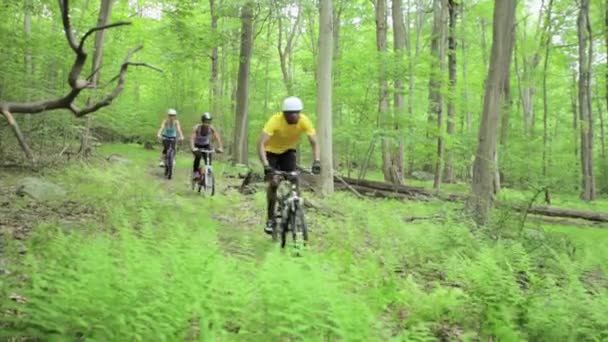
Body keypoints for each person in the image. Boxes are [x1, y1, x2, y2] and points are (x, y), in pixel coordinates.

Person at [257, 96, 321, 234]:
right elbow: (261, 144)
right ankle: (270, 218)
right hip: (270, 152)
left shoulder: (304, 121)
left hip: (288, 151)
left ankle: (294, 208)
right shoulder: (275, 121)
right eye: (292, 114)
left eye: (298, 112)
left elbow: (314, 142)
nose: (296, 116)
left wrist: (317, 161)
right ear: (285, 114)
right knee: (274, 183)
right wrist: (266, 165)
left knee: (293, 179)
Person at [190, 112, 224, 180]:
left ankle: (208, 174)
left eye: (209, 121)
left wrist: (220, 147)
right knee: (198, 156)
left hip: (206, 145)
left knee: (208, 159)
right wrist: (193, 148)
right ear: (203, 121)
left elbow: (217, 137)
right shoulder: (197, 127)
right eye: (206, 121)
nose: (207, 123)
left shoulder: (211, 128)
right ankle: (195, 172)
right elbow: (192, 138)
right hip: (197, 145)